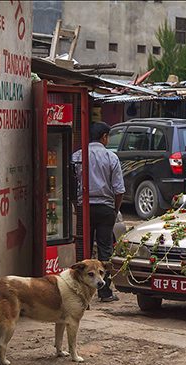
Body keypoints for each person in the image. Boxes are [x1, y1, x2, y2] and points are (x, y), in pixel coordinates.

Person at [72, 121, 125, 302]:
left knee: (82, 248)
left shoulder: (77, 156)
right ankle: (105, 292)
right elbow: (119, 190)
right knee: (105, 250)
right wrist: (114, 209)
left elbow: (71, 185)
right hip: (105, 209)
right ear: (104, 137)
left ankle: (79, 290)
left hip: (83, 208)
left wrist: (75, 206)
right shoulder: (111, 157)